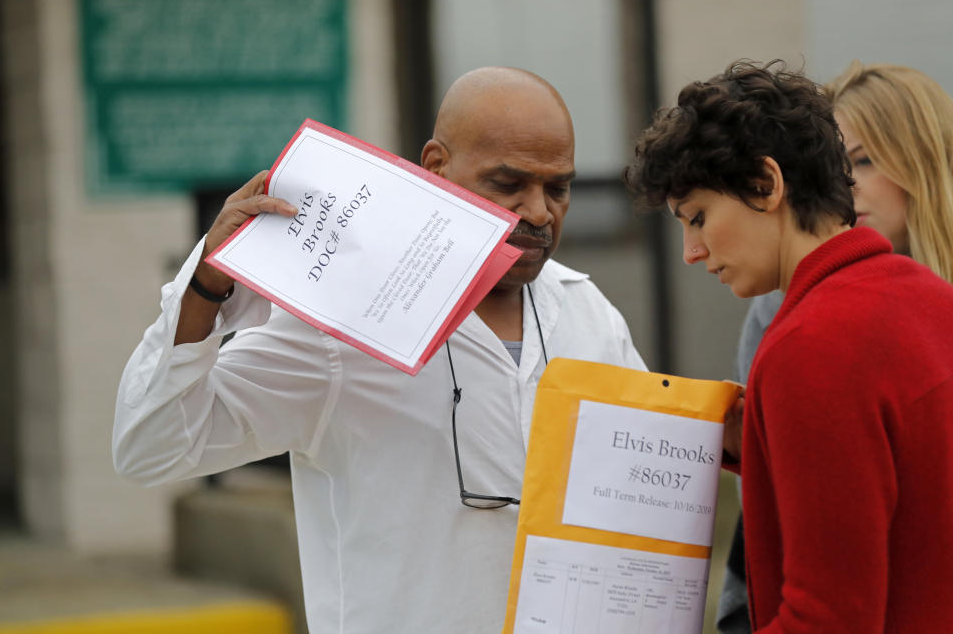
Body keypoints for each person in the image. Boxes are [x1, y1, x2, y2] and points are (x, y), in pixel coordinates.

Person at [113, 66, 646, 632]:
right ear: (437, 167)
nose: (539, 212)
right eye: (509, 184)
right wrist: (205, 288)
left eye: (557, 187)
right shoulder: (340, 326)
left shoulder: (586, 311)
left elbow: (638, 493)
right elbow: (151, 445)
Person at [625, 60, 953, 632]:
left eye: (698, 217)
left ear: (765, 184)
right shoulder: (931, 299)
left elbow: (829, 617)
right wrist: (756, 440)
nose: (691, 252)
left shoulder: (808, 346)